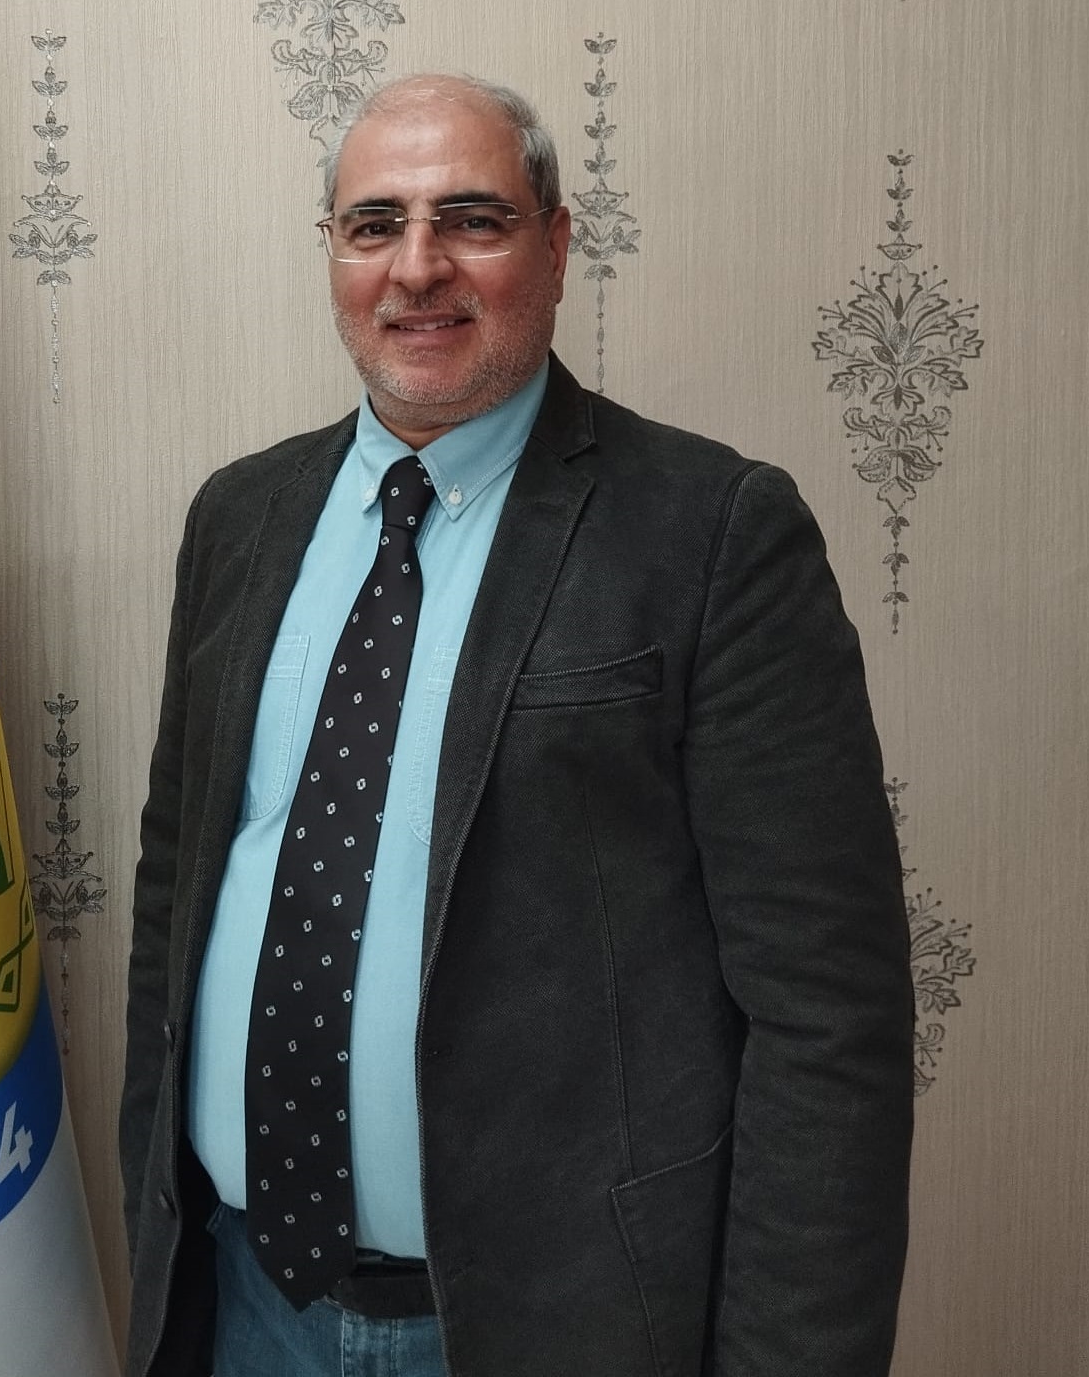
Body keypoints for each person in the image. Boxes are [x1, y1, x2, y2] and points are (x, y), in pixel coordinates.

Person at [120, 73, 914, 1377]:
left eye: (472, 218)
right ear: (332, 252)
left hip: (557, 1323)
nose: (416, 266)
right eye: (374, 224)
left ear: (554, 242)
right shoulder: (240, 519)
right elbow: (176, 895)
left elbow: (827, 1015)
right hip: (245, 1298)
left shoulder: (712, 533)